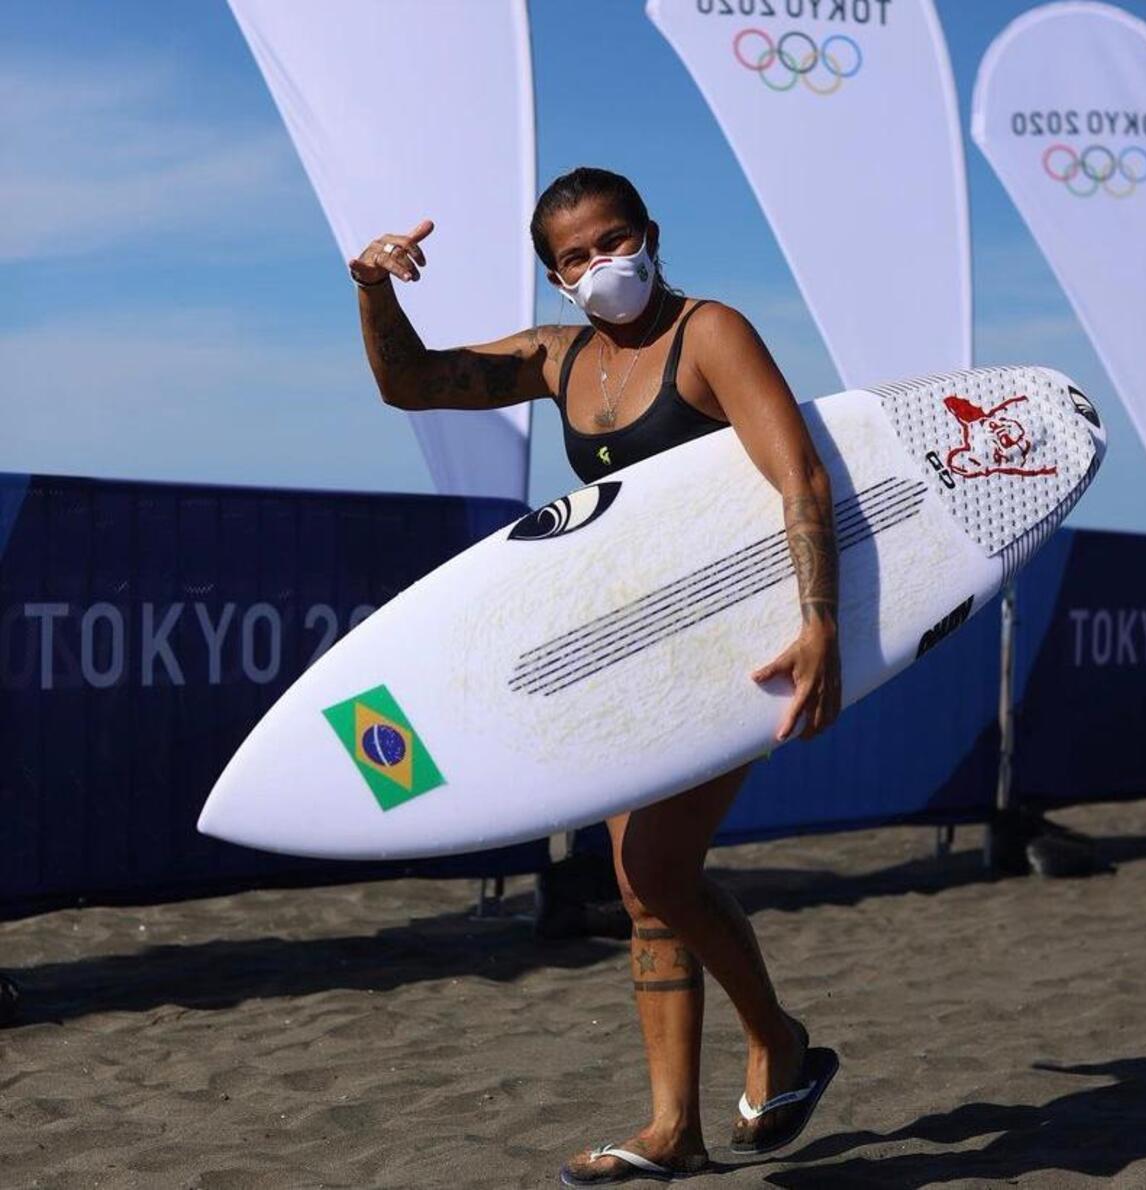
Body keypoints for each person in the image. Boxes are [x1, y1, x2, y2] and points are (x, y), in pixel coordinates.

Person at [350, 168, 842, 1186]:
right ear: (556, 275)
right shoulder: (560, 355)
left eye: (614, 240)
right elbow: (413, 383)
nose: (600, 264)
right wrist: (373, 288)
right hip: (641, 644)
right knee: (639, 885)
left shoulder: (710, 334)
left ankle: (777, 1039)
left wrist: (818, 621)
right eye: (575, 256)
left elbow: (799, 473)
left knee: (658, 868)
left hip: (738, 636)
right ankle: (674, 1127)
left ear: (649, 235)